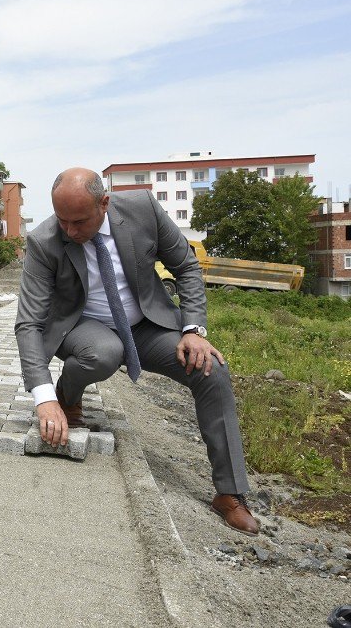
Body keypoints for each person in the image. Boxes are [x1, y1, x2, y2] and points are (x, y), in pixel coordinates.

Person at [14, 167, 259, 535]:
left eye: (79, 221)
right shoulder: (44, 240)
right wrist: (44, 398)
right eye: (62, 220)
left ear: (105, 203)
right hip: (82, 327)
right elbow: (29, 323)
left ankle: (229, 493)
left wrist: (193, 329)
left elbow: (187, 267)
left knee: (211, 370)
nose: (69, 231)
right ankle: (67, 392)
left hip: (147, 325)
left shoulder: (143, 208)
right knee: (104, 353)